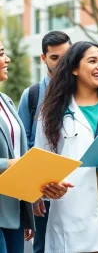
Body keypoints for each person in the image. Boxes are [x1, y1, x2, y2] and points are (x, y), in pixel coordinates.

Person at [34, 41, 98, 253]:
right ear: (74, 68)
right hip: (72, 212)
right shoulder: (52, 113)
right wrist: (50, 187)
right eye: (92, 61)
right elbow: (42, 163)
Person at [0, 41, 72, 253]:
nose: (7, 59)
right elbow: (17, 159)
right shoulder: (28, 96)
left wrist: (29, 199)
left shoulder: (5, 101)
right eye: (1, 54)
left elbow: (19, 150)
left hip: (12, 210)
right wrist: (13, 164)